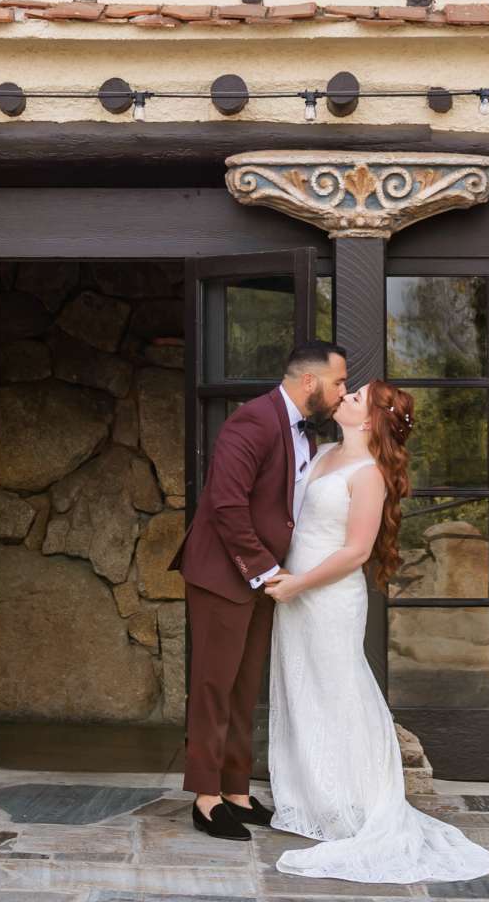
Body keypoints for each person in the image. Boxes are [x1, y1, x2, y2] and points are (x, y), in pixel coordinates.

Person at [263, 380, 489, 884]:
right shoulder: (323, 450)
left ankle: (350, 800)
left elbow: (356, 552)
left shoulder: (368, 474)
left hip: (325, 596)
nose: (345, 397)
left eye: (356, 397)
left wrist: (298, 583)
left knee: (339, 688)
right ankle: (311, 797)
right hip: (295, 593)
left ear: (369, 420)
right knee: (301, 686)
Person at [171, 339, 347, 842]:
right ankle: (205, 799)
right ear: (309, 381)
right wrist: (267, 571)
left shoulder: (306, 432)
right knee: (213, 686)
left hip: (264, 580)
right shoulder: (251, 420)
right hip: (223, 575)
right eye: (337, 382)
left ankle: (236, 792)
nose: (341, 392)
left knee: (244, 689)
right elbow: (226, 505)